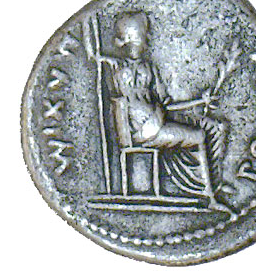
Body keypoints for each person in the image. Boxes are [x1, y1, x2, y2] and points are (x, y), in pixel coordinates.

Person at [91, 12, 231, 212]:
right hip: (141, 131)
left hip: (156, 123)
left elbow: (166, 105)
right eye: (140, 37)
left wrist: (201, 100)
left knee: (206, 127)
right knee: (199, 136)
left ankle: (202, 189)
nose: (144, 42)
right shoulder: (113, 66)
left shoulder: (149, 68)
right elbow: (93, 55)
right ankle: (205, 195)